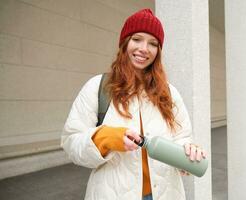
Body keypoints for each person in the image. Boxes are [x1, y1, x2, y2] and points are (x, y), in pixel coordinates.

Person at [61, 8, 206, 200]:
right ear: (124, 43)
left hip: (166, 194)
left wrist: (188, 151)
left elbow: (182, 137)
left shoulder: (169, 93)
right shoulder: (99, 87)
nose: (144, 49)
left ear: (158, 51)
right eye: (137, 39)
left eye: (153, 43)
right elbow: (71, 142)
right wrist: (105, 138)